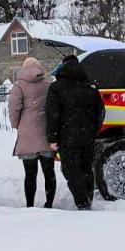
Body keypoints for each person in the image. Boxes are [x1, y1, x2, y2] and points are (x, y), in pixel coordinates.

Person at [45, 54, 105, 210]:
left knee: (71, 170)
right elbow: (100, 111)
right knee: (86, 168)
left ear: (62, 67)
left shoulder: (56, 87)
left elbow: (53, 115)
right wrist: (93, 130)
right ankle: (87, 200)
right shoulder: (90, 87)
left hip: (67, 137)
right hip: (88, 136)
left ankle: (82, 203)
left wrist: (52, 138)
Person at [8, 56, 56, 208]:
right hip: (46, 134)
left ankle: (30, 205)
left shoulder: (19, 86)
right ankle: (49, 203)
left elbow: (13, 109)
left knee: (30, 174)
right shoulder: (48, 84)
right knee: (49, 174)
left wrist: (17, 125)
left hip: (27, 135)